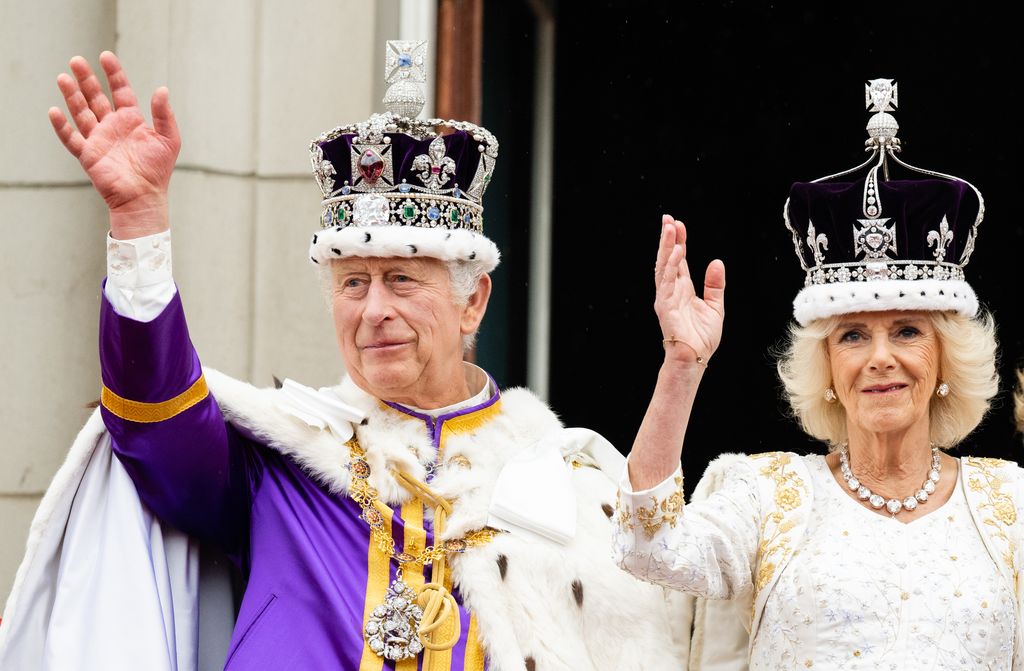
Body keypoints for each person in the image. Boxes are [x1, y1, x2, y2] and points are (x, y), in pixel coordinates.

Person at [0, 44, 693, 670]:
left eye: (401, 280)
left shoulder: (562, 483)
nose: (373, 310)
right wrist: (140, 222)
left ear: (473, 301)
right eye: (353, 283)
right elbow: (155, 422)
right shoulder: (283, 458)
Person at [613, 78, 1023, 668]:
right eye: (853, 335)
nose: (880, 356)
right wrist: (682, 367)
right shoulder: (768, 495)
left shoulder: (1011, 505)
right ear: (827, 366)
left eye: (907, 330)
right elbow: (647, 550)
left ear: (946, 360)